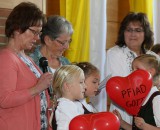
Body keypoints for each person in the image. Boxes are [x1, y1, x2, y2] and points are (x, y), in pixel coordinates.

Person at [0, 2, 53, 130]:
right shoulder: (6, 58)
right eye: (34, 32)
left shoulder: (27, 58)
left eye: (39, 33)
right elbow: (4, 99)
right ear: (18, 28)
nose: (37, 38)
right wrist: (38, 87)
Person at [105, 12, 159, 127]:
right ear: (123, 32)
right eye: (129, 30)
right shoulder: (114, 53)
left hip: (151, 114)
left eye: (138, 30)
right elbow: (121, 87)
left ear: (146, 33)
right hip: (122, 116)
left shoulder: (154, 57)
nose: (132, 34)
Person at [113, 54, 160, 130]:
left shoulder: (157, 99)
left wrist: (145, 126)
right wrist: (121, 122)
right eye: (132, 69)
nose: (132, 73)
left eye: (137, 69)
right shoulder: (139, 98)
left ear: (151, 72)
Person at [51, 65, 86, 130]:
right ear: (67, 86)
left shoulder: (75, 104)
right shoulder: (65, 106)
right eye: (81, 82)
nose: (85, 86)